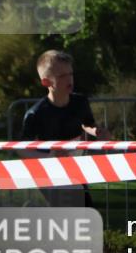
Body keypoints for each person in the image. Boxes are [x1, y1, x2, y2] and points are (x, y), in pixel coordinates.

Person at [20, 50, 110, 207]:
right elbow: (22, 149)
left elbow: (87, 124)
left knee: (85, 211)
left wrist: (97, 132)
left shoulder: (80, 102)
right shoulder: (35, 114)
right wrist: (51, 155)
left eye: (71, 74)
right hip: (49, 172)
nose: (69, 79)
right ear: (46, 82)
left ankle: (37, 213)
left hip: (75, 166)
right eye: (62, 76)